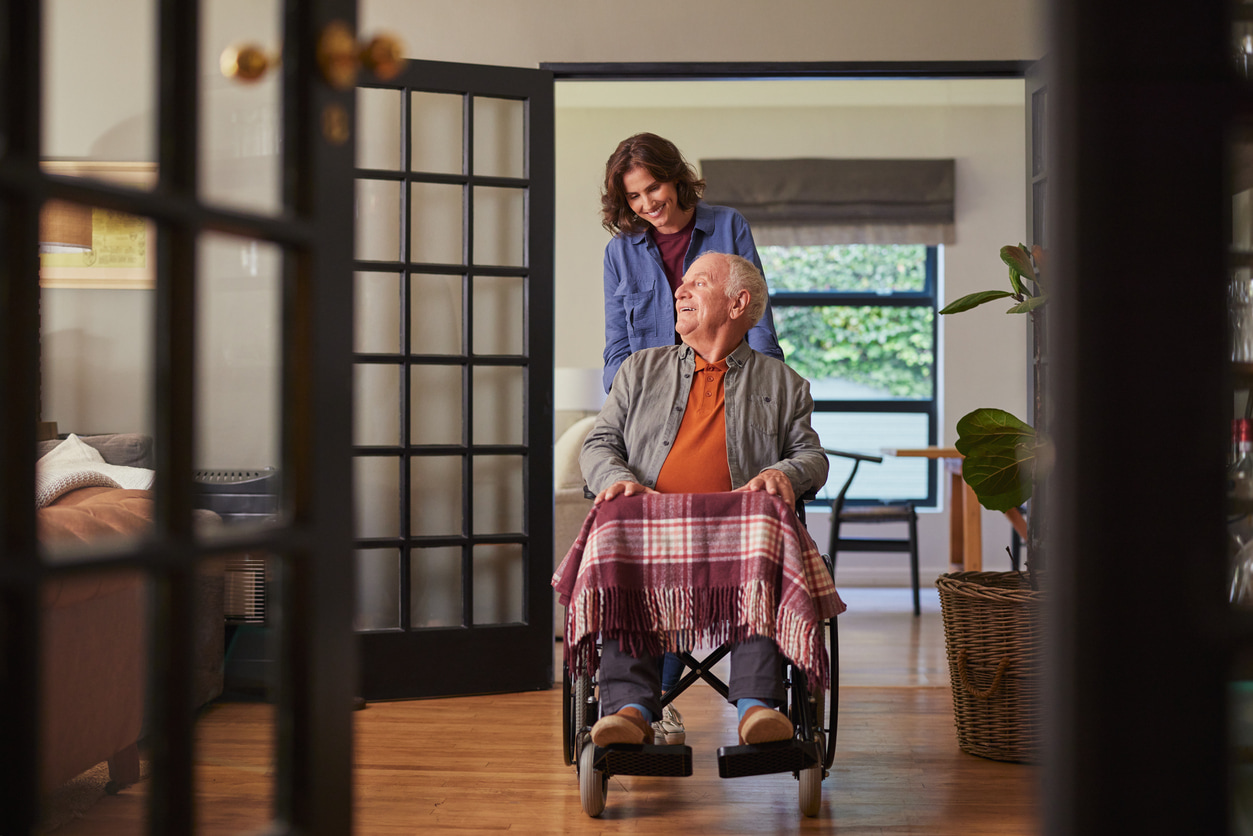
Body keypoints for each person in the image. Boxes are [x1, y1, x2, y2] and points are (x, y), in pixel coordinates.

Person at [580, 252, 828, 748]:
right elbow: (599, 442)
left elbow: (812, 456)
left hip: (739, 536)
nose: (679, 291)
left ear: (737, 303)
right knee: (617, 520)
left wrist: (783, 473)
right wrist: (615, 478)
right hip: (652, 529)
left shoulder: (784, 384)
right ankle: (630, 710)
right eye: (683, 283)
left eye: (697, 282)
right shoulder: (639, 370)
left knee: (766, 520)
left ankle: (758, 707)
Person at [599, 133, 786, 742]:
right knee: (636, 531)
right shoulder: (621, 252)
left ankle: (740, 702)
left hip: (728, 379)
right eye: (634, 196)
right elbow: (618, 344)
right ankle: (642, 704)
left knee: (755, 523)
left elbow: (753, 314)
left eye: (653, 186)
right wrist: (635, 398)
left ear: (675, 178)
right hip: (654, 399)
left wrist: (767, 391)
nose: (647, 203)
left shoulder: (726, 225)